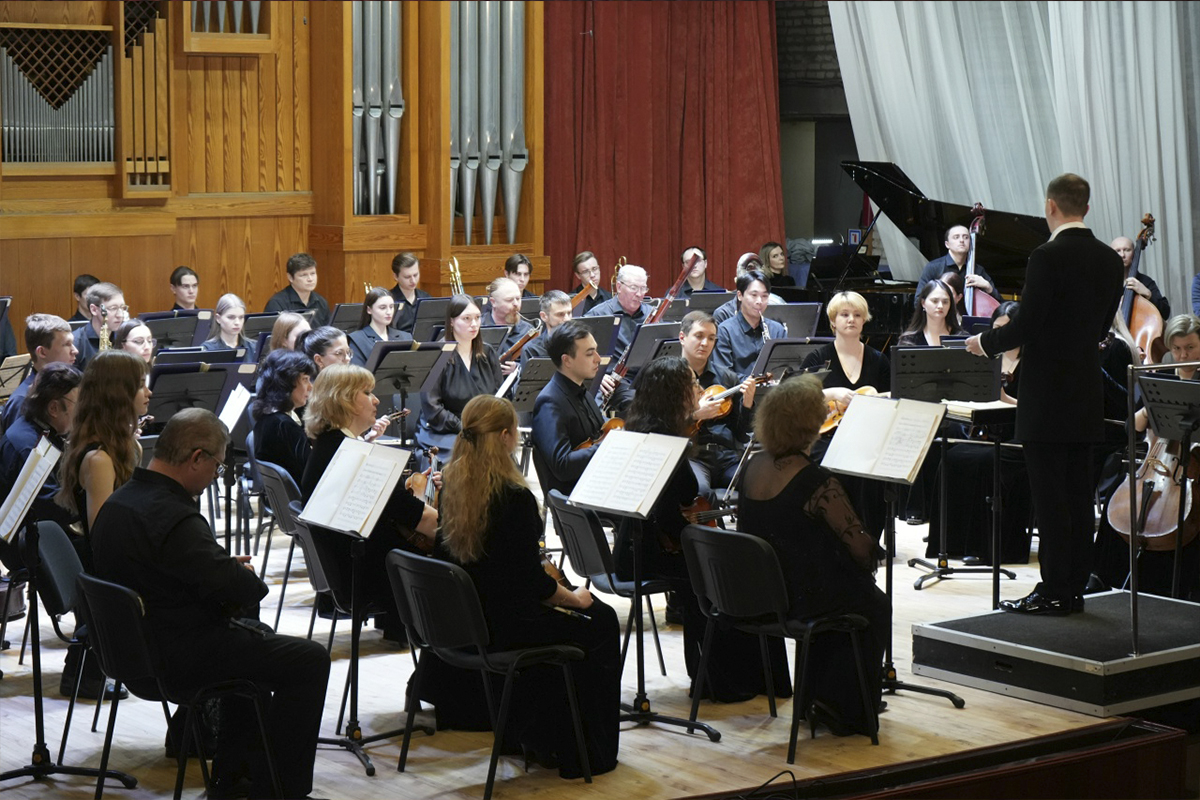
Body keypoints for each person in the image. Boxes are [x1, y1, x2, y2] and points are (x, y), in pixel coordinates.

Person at [90, 409, 331, 800]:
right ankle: (280, 790)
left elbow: (158, 572)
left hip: (130, 654)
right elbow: (242, 591)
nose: (214, 476)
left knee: (256, 645)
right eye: (217, 466)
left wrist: (213, 566)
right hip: (178, 658)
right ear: (196, 458)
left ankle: (237, 774)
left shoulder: (118, 503)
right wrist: (232, 573)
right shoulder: (174, 515)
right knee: (308, 659)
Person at [431, 394, 620, 777]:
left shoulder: (450, 483)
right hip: (506, 627)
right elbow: (535, 586)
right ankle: (585, 752)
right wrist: (578, 600)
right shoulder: (514, 498)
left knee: (576, 619)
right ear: (505, 436)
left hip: (466, 623)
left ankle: (530, 735)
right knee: (601, 621)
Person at [966, 173, 1124, 615]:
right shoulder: (1111, 260)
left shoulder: (1046, 255)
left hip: (1046, 395)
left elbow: (1027, 323)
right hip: (1085, 391)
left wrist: (985, 343)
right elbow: (1099, 328)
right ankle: (1073, 585)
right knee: (1076, 495)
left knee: (1051, 497)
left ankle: (1055, 589)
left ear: (1050, 207)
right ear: (1086, 208)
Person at [615, 357, 790, 701]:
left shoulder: (642, 429)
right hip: (657, 551)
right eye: (692, 385)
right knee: (741, 573)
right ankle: (734, 681)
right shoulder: (666, 442)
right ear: (674, 394)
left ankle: (717, 676)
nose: (699, 390)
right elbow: (672, 514)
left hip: (636, 547)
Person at [737, 374, 888, 736]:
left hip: (763, 593)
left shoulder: (751, 467)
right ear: (811, 425)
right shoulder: (817, 480)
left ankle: (816, 698)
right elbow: (864, 551)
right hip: (802, 599)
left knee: (843, 587)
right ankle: (849, 708)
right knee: (874, 604)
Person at [301, 365, 438, 640]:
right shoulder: (354, 457)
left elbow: (392, 507)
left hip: (351, 568)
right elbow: (422, 520)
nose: (376, 400)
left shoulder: (329, 446)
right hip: (373, 575)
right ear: (345, 400)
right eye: (367, 392)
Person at [800, 291, 891, 541]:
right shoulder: (818, 358)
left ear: (864, 321)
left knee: (869, 468)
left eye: (857, 315)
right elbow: (797, 397)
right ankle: (833, 537)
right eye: (844, 314)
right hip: (825, 437)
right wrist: (830, 393)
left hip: (867, 436)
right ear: (833, 321)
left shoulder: (879, 360)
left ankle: (866, 538)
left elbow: (893, 401)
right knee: (834, 466)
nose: (851, 319)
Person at [56, 350, 152, 553]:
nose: (148, 392)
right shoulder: (98, 460)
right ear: (117, 393)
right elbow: (104, 540)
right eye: (141, 385)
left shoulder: (129, 446)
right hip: (111, 575)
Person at [0, 363, 83, 557]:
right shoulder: (29, 447)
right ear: (54, 408)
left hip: (42, 532)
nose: (80, 412)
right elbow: (53, 506)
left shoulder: (40, 428)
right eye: (77, 405)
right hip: (25, 547)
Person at [679, 311, 757, 501]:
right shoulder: (668, 375)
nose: (705, 343)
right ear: (682, 337)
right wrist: (696, 415)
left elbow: (740, 433)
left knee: (763, 485)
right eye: (699, 336)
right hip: (691, 457)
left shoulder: (727, 378)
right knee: (699, 493)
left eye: (711, 338)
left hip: (727, 458)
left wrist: (747, 405)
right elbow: (658, 426)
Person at [417, 295, 501, 461]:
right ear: (451, 322)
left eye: (477, 318)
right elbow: (432, 408)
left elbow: (499, 395)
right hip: (445, 430)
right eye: (467, 319)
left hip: (482, 428)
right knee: (466, 456)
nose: (474, 324)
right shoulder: (437, 356)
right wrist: (465, 427)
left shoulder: (488, 352)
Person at [529, 322, 605, 497]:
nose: (598, 358)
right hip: (576, 495)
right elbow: (562, 466)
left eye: (596, 350)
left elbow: (598, 433)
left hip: (594, 482)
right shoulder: (549, 403)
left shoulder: (583, 392)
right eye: (589, 353)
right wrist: (607, 448)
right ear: (567, 360)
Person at [1, 313, 77, 433]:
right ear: (42, 352)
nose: (75, 351)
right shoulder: (22, 401)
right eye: (66, 344)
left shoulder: (63, 389)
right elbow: (20, 449)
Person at [251, 349, 317, 487]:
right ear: (286, 382)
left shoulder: (268, 418)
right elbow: (312, 477)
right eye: (305, 379)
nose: (311, 387)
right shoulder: (284, 426)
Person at [711, 269, 786, 380]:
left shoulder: (777, 330)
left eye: (764, 296)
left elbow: (785, 368)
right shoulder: (725, 331)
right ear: (740, 295)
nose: (759, 301)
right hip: (738, 394)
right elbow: (724, 374)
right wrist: (754, 382)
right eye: (754, 295)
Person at [914, 224, 1001, 309]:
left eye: (966, 237)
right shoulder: (933, 267)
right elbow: (918, 301)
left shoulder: (978, 270)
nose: (962, 240)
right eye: (956, 237)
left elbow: (1000, 305)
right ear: (947, 244)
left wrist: (988, 287)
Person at [583, 263, 652, 357]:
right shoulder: (598, 314)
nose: (639, 294)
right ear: (619, 287)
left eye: (643, 288)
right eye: (633, 288)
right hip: (611, 371)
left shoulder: (652, 313)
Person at [72, 281, 129, 369]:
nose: (120, 315)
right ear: (94, 310)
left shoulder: (124, 339)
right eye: (113, 308)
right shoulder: (76, 343)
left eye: (122, 308)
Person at [349, 287, 411, 367]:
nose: (389, 312)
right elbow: (358, 374)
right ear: (369, 310)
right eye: (383, 308)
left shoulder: (406, 337)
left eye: (391, 307)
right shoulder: (357, 339)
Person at [483, 276, 533, 376]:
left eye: (518, 299)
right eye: (509, 300)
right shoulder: (478, 328)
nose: (516, 304)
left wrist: (518, 368)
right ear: (493, 302)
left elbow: (534, 364)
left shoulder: (528, 330)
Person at [264, 253, 330, 327]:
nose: (310, 279)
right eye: (304, 275)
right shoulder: (277, 303)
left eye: (313, 273)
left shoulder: (321, 302)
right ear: (290, 277)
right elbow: (274, 336)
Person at [1111, 236, 1169, 319]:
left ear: (1134, 253)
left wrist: (1148, 294)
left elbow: (1165, 313)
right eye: (1117, 251)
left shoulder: (1145, 282)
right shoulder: (1105, 283)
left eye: (1127, 250)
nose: (1122, 255)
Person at [897, 279, 963, 347]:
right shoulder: (908, 341)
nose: (940, 306)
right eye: (935, 301)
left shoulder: (962, 338)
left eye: (945, 302)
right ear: (923, 303)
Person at [518, 289, 573, 362]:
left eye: (569, 313)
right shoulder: (531, 349)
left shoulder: (580, 344)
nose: (567, 319)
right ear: (544, 316)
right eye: (560, 314)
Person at [202, 293, 258, 363]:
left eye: (241, 317)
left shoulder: (254, 347)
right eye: (231, 317)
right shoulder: (208, 349)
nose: (237, 322)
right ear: (218, 318)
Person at [388, 252, 430, 336]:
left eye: (416, 275)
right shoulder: (388, 301)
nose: (413, 281)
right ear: (396, 277)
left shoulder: (426, 298)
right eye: (407, 277)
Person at [570, 251, 611, 315]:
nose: (592, 275)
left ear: (599, 269)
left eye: (594, 269)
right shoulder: (571, 301)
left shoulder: (609, 297)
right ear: (578, 275)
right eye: (586, 272)